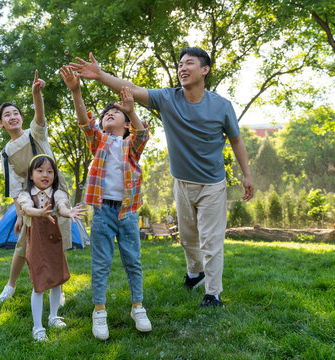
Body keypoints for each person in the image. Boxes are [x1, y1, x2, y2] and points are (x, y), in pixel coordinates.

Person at [70, 47, 254, 308]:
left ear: (205, 69)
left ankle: (213, 294)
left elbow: (236, 139)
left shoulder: (221, 106)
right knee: (188, 239)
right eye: (180, 64)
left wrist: (246, 174)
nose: (182, 68)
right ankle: (195, 273)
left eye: (189, 63)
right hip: (181, 182)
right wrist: (100, 75)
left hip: (213, 184)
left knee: (211, 242)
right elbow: (130, 88)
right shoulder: (168, 98)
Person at [60, 65, 152, 341]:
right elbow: (85, 123)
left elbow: (143, 134)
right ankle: (99, 312)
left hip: (126, 214)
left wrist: (131, 109)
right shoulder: (99, 143)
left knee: (132, 261)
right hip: (102, 213)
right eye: (106, 114)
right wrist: (76, 91)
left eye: (117, 113)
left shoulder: (131, 147)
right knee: (100, 263)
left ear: (126, 125)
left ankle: (138, 306)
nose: (109, 114)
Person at [0, 70, 72, 303]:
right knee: (23, 243)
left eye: (16, 113)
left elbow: (40, 118)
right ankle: (10, 285)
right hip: (31, 198)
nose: (12, 117)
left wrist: (36, 94)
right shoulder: (5, 153)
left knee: (57, 239)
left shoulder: (35, 134)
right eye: (7, 115)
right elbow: (15, 187)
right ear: (1, 123)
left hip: (56, 191)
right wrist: (19, 215)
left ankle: (57, 289)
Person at [18, 154, 86, 341]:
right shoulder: (26, 194)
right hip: (37, 243)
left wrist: (68, 212)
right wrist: (39, 212)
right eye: (40, 171)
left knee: (57, 280)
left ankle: (53, 316)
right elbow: (26, 209)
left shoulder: (58, 193)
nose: (45, 174)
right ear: (31, 175)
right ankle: (37, 327)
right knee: (39, 285)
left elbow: (62, 207)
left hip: (54, 241)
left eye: (50, 171)